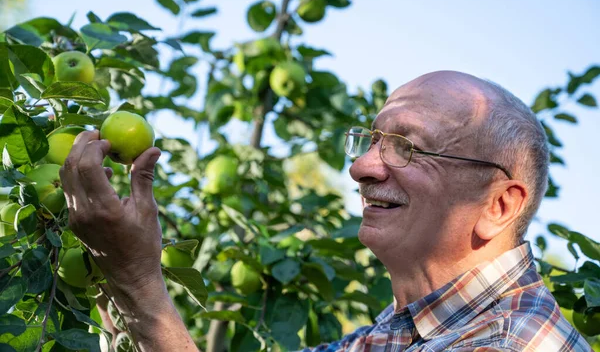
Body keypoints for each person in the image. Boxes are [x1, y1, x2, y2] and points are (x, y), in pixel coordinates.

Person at [60, 70, 592, 351]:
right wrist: (113, 275)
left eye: (406, 147)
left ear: (499, 205)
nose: (361, 167)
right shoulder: (392, 337)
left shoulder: (508, 345)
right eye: (369, 139)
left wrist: (137, 281)